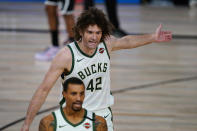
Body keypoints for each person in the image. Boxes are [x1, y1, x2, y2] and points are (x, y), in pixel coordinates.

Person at [21, 8, 172, 131]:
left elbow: (126, 41)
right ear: (80, 31)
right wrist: (27, 123)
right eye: (90, 32)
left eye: (98, 33)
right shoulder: (66, 55)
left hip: (101, 115)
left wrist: (152, 37)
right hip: (72, 115)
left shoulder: (105, 44)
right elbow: (43, 90)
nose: (94, 37)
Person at [39, 77, 107, 131]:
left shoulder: (98, 123)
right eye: (74, 94)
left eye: (81, 94)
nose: (79, 98)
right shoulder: (48, 122)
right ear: (64, 94)